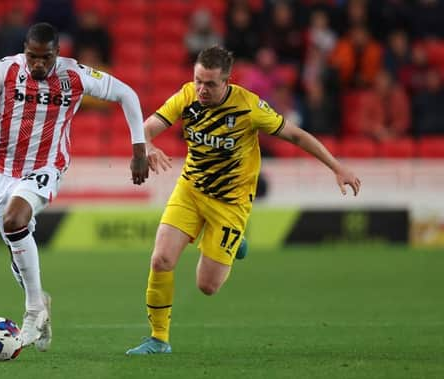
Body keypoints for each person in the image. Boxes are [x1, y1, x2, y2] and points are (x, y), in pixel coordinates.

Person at [125, 46, 361, 355]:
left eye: (210, 84)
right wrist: (148, 148)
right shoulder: (186, 96)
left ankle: (234, 242)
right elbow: (146, 129)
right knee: (161, 259)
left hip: (230, 203)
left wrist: (336, 166)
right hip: (191, 190)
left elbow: (296, 135)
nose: (201, 89)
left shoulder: (249, 107)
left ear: (227, 82)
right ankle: (159, 339)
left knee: (207, 286)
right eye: (198, 80)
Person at [0, 23, 149, 352]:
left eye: (44, 58)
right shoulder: (5, 70)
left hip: (48, 166)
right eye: (32, 56)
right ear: (24, 50)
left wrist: (138, 149)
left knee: (14, 220)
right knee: (16, 253)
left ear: (57, 54)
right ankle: (41, 304)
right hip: (3, 170)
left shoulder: (74, 74)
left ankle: (33, 311)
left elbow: (126, 94)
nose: (37, 64)